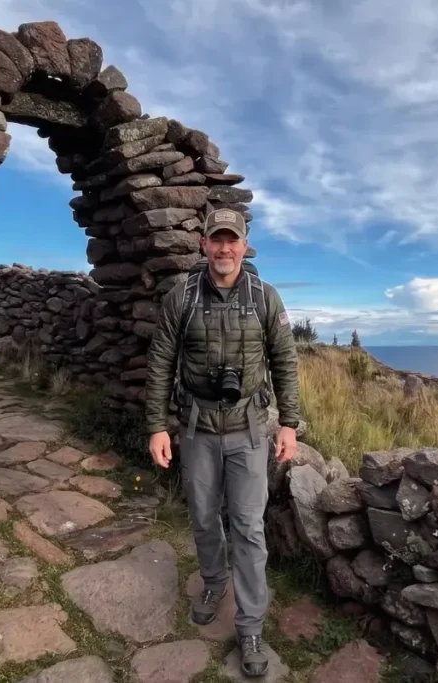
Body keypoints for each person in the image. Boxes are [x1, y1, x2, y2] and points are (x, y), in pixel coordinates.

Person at [144, 207, 301, 678]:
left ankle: (250, 626)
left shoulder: (264, 297)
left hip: (249, 431)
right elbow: (161, 361)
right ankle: (214, 582)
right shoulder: (183, 296)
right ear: (204, 244)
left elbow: (285, 359)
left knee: (249, 528)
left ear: (245, 245)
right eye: (217, 239)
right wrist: (157, 425)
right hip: (196, 430)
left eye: (233, 240)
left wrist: (289, 423)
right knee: (203, 516)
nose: (225, 248)